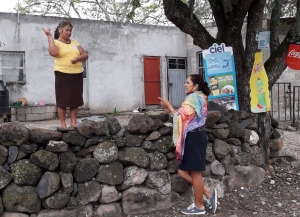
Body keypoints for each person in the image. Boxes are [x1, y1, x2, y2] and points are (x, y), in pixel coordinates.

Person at [159, 74, 218, 215]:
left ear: (195, 86)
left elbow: (180, 117)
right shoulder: (200, 97)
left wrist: (169, 106)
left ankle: (199, 207)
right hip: (194, 136)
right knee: (182, 171)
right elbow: (184, 116)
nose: (185, 85)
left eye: (187, 82)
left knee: (196, 173)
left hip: (194, 137)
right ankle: (208, 193)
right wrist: (170, 110)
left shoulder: (194, 98)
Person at [42, 21, 88, 128]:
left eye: (70, 31)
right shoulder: (56, 42)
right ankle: (63, 125)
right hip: (62, 74)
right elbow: (53, 52)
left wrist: (77, 58)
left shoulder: (75, 42)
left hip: (77, 74)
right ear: (60, 30)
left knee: (75, 100)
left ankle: (73, 124)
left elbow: (85, 55)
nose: (69, 33)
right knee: (62, 100)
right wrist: (49, 36)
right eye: (67, 30)